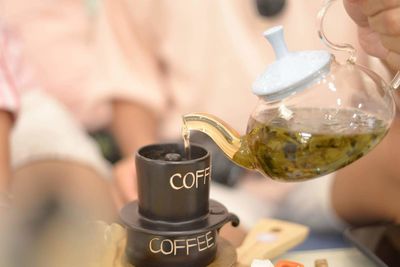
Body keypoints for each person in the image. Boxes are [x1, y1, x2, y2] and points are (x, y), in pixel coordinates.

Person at [0, 0, 398, 239]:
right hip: (208, 181)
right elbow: (130, 88)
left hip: (343, 165)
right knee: (185, 237)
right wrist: (141, 173)